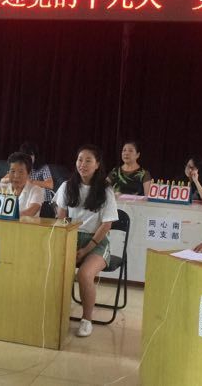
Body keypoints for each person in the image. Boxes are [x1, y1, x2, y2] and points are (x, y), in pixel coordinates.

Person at [54, 144, 118, 338]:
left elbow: (106, 225)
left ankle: (86, 320)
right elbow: (61, 217)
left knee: (84, 275)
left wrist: (85, 249)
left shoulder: (105, 191)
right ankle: (56, 314)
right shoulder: (67, 186)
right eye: (80, 160)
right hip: (71, 236)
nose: (83, 164)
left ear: (97, 165)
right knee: (54, 269)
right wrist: (66, 241)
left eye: (88, 160)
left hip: (97, 241)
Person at [4, 151, 44, 217]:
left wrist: (5, 216)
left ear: (28, 174)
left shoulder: (36, 190)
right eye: (13, 171)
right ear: (8, 172)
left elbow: (30, 212)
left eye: (21, 172)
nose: (16, 176)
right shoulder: (2, 189)